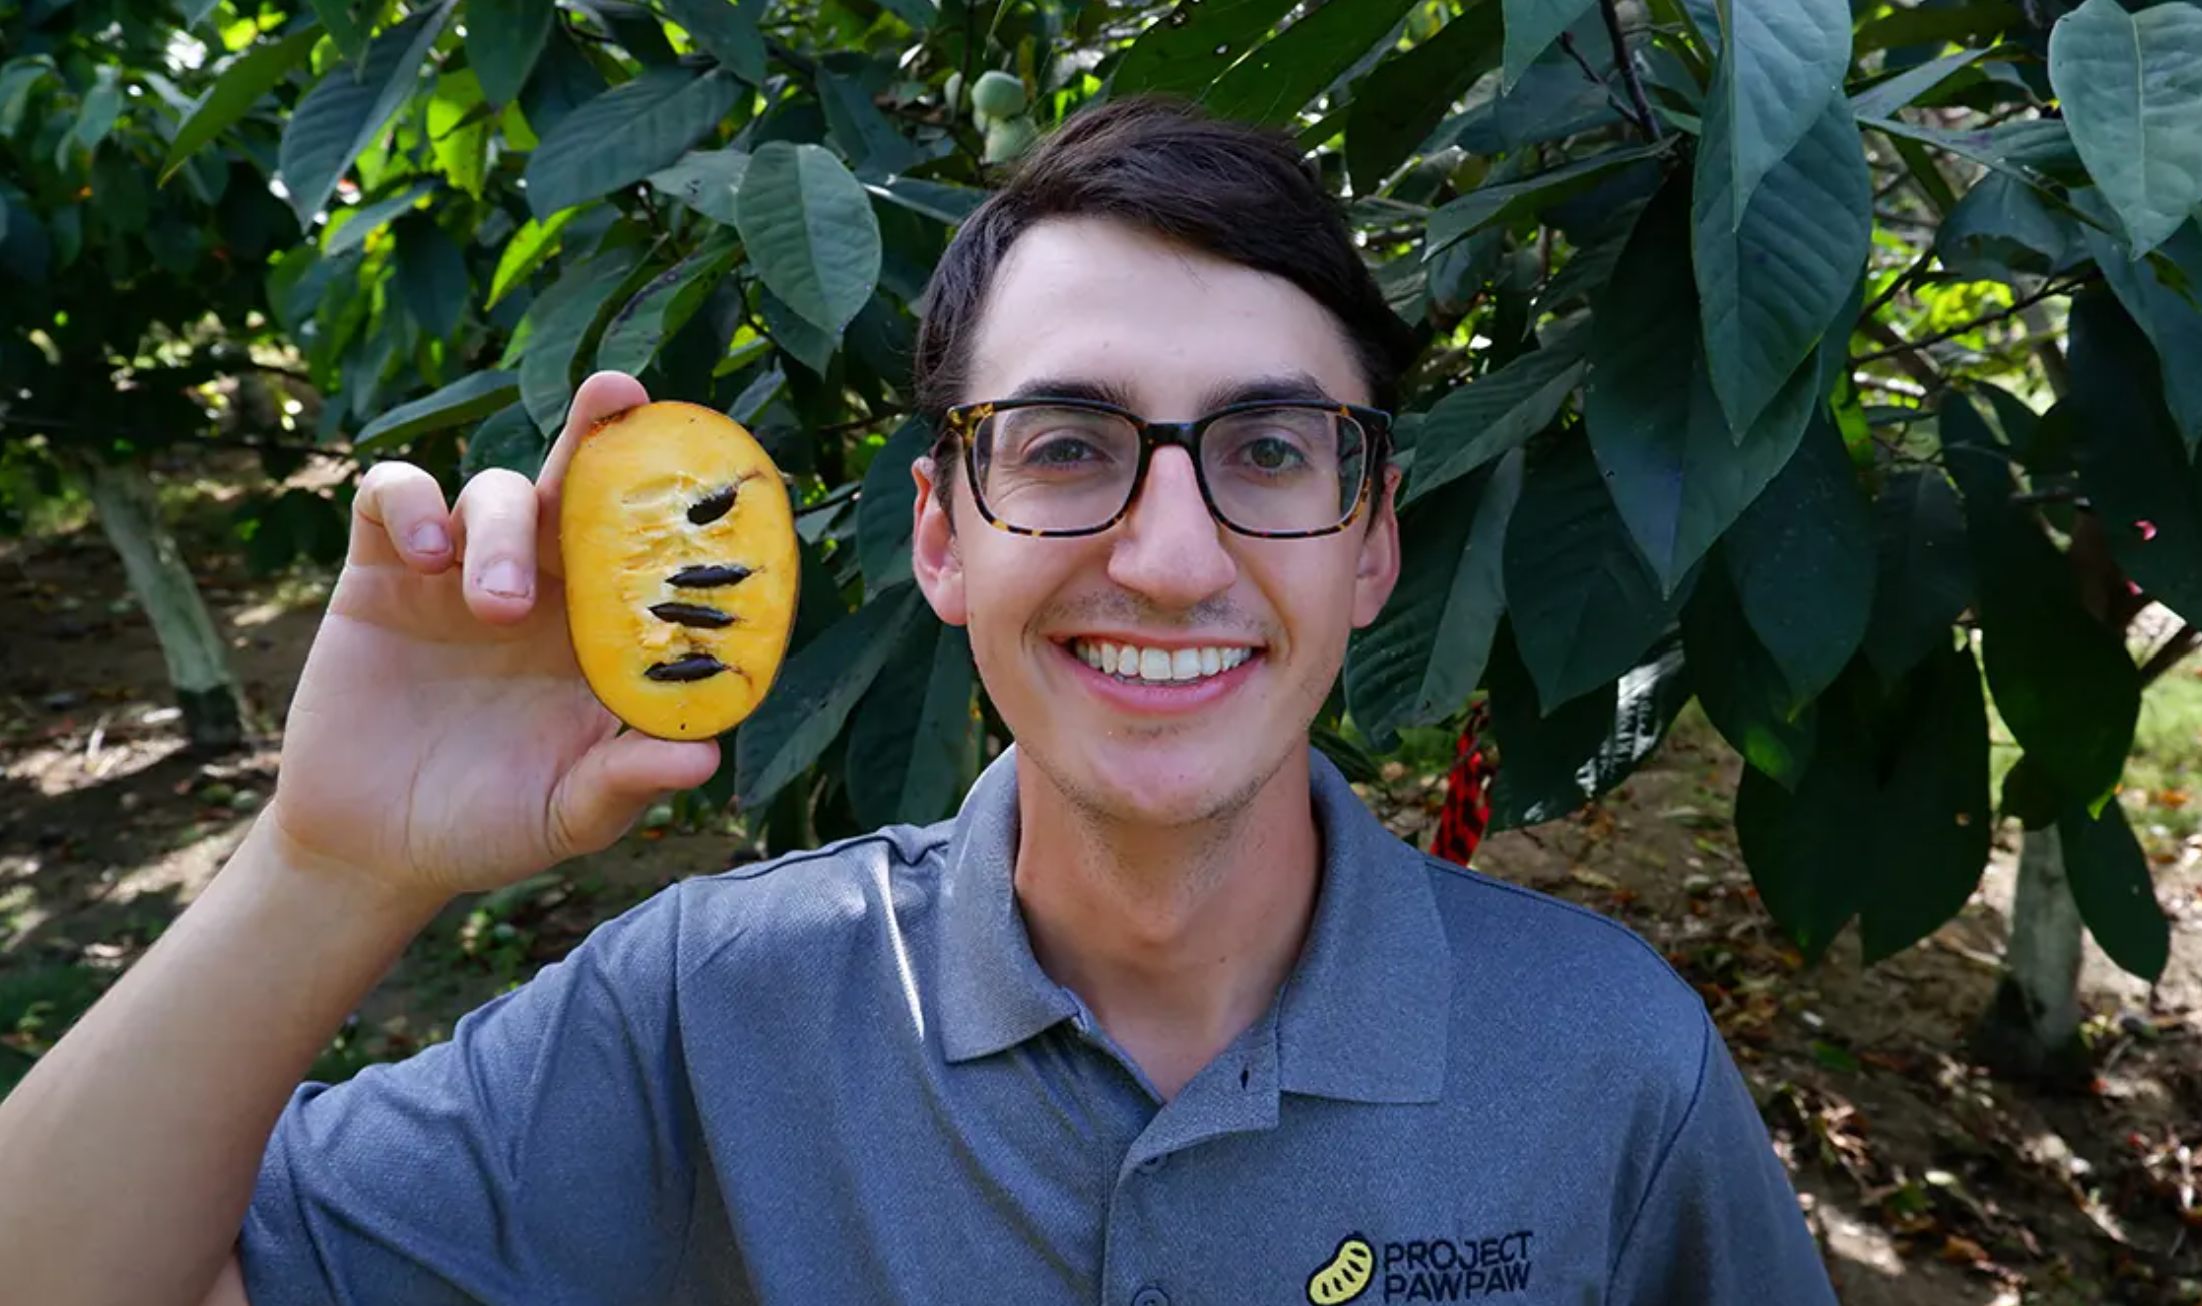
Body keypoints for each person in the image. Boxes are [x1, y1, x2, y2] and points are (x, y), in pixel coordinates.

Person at [0, 97, 1838, 1306]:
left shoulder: (1609, 1066)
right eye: (1065, 444)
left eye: (1272, 445)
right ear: (939, 537)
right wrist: (328, 862)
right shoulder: (712, 1013)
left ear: (1373, 541)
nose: (1176, 555)